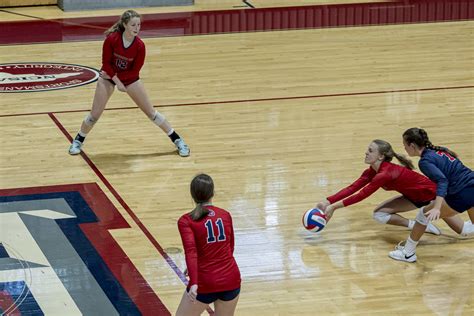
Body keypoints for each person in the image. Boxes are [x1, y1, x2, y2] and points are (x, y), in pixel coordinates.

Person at [68, 10, 190, 157]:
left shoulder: (140, 46)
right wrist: (116, 81)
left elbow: (135, 72)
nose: (136, 28)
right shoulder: (112, 39)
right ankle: (78, 140)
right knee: (94, 115)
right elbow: (106, 64)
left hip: (128, 79)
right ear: (125, 24)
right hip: (109, 78)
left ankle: (178, 140)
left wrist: (118, 80)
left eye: (139, 25)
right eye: (133, 24)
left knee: (151, 113)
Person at [316, 139, 466, 235]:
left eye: (370, 151)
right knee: (379, 214)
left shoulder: (385, 174)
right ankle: (419, 226)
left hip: (433, 196)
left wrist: (334, 207)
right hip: (413, 198)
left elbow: (362, 195)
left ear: (380, 156)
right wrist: (328, 201)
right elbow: (353, 188)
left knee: (464, 231)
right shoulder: (372, 171)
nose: (366, 153)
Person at [389, 128, 474, 262]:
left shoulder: (424, 162)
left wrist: (437, 207)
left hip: (462, 192)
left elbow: (442, 180)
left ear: (412, 145)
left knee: (423, 214)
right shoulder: (439, 150)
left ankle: (408, 253)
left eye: (405, 145)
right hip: (471, 183)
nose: (404, 148)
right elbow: (456, 163)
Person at [176, 174, 241, 316]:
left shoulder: (186, 221)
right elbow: (230, 248)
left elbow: (191, 252)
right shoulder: (225, 215)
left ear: (192, 195)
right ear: (212, 193)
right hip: (231, 279)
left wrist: (194, 282)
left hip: (205, 283)